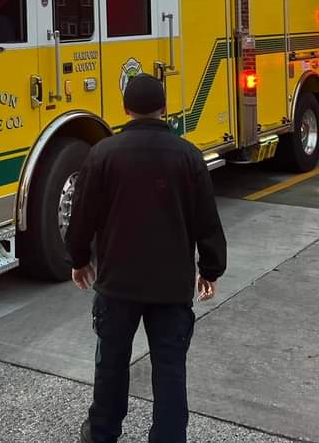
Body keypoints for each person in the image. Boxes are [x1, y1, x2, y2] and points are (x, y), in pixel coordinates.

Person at [66, 74, 227, 443]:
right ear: (165, 109)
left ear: (125, 109)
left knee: (111, 364)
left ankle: (102, 433)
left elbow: (82, 216)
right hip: (171, 288)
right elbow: (206, 219)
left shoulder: (102, 154)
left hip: (117, 285)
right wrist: (211, 269)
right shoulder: (188, 156)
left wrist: (78, 259)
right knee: (170, 369)